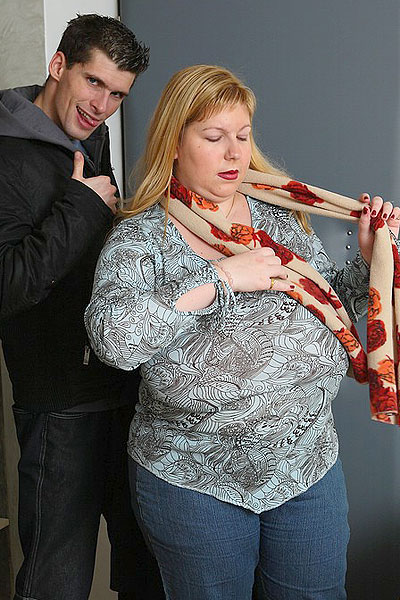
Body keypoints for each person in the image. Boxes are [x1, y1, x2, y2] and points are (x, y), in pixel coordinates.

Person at [85, 64, 399, 600]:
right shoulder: (141, 237)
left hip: (305, 466)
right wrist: (221, 279)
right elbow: (114, 341)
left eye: (243, 135)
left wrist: (368, 262)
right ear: (174, 144)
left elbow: (329, 306)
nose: (234, 152)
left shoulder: (280, 216)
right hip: (194, 479)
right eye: (214, 137)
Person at [0, 13, 164, 600]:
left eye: (117, 94)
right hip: (59, 405)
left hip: (127, 389)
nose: (101, 106)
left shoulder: (89, 136)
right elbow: (9, 284)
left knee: (146, 571)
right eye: (94, 82)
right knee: (56, 581)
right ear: (58, 65)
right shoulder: (5, 155)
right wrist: (80, 205)